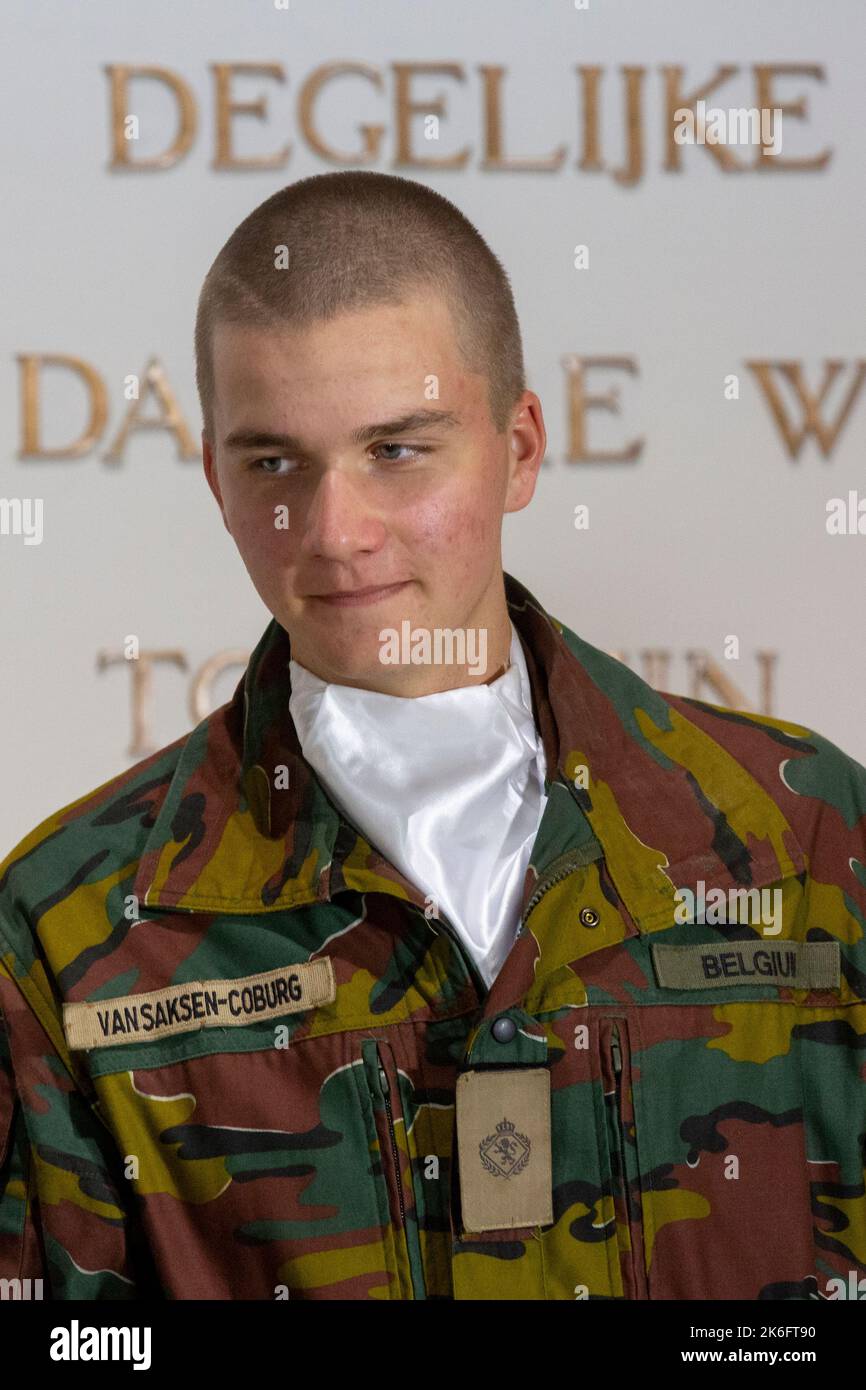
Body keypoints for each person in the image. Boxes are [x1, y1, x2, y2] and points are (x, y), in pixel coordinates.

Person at [1, 171, 864, 1302]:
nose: (334, 531)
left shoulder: (800, 837)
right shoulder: (72, 927)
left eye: (395, 451)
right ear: (215, 478)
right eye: (274, 464)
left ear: (517, 448)